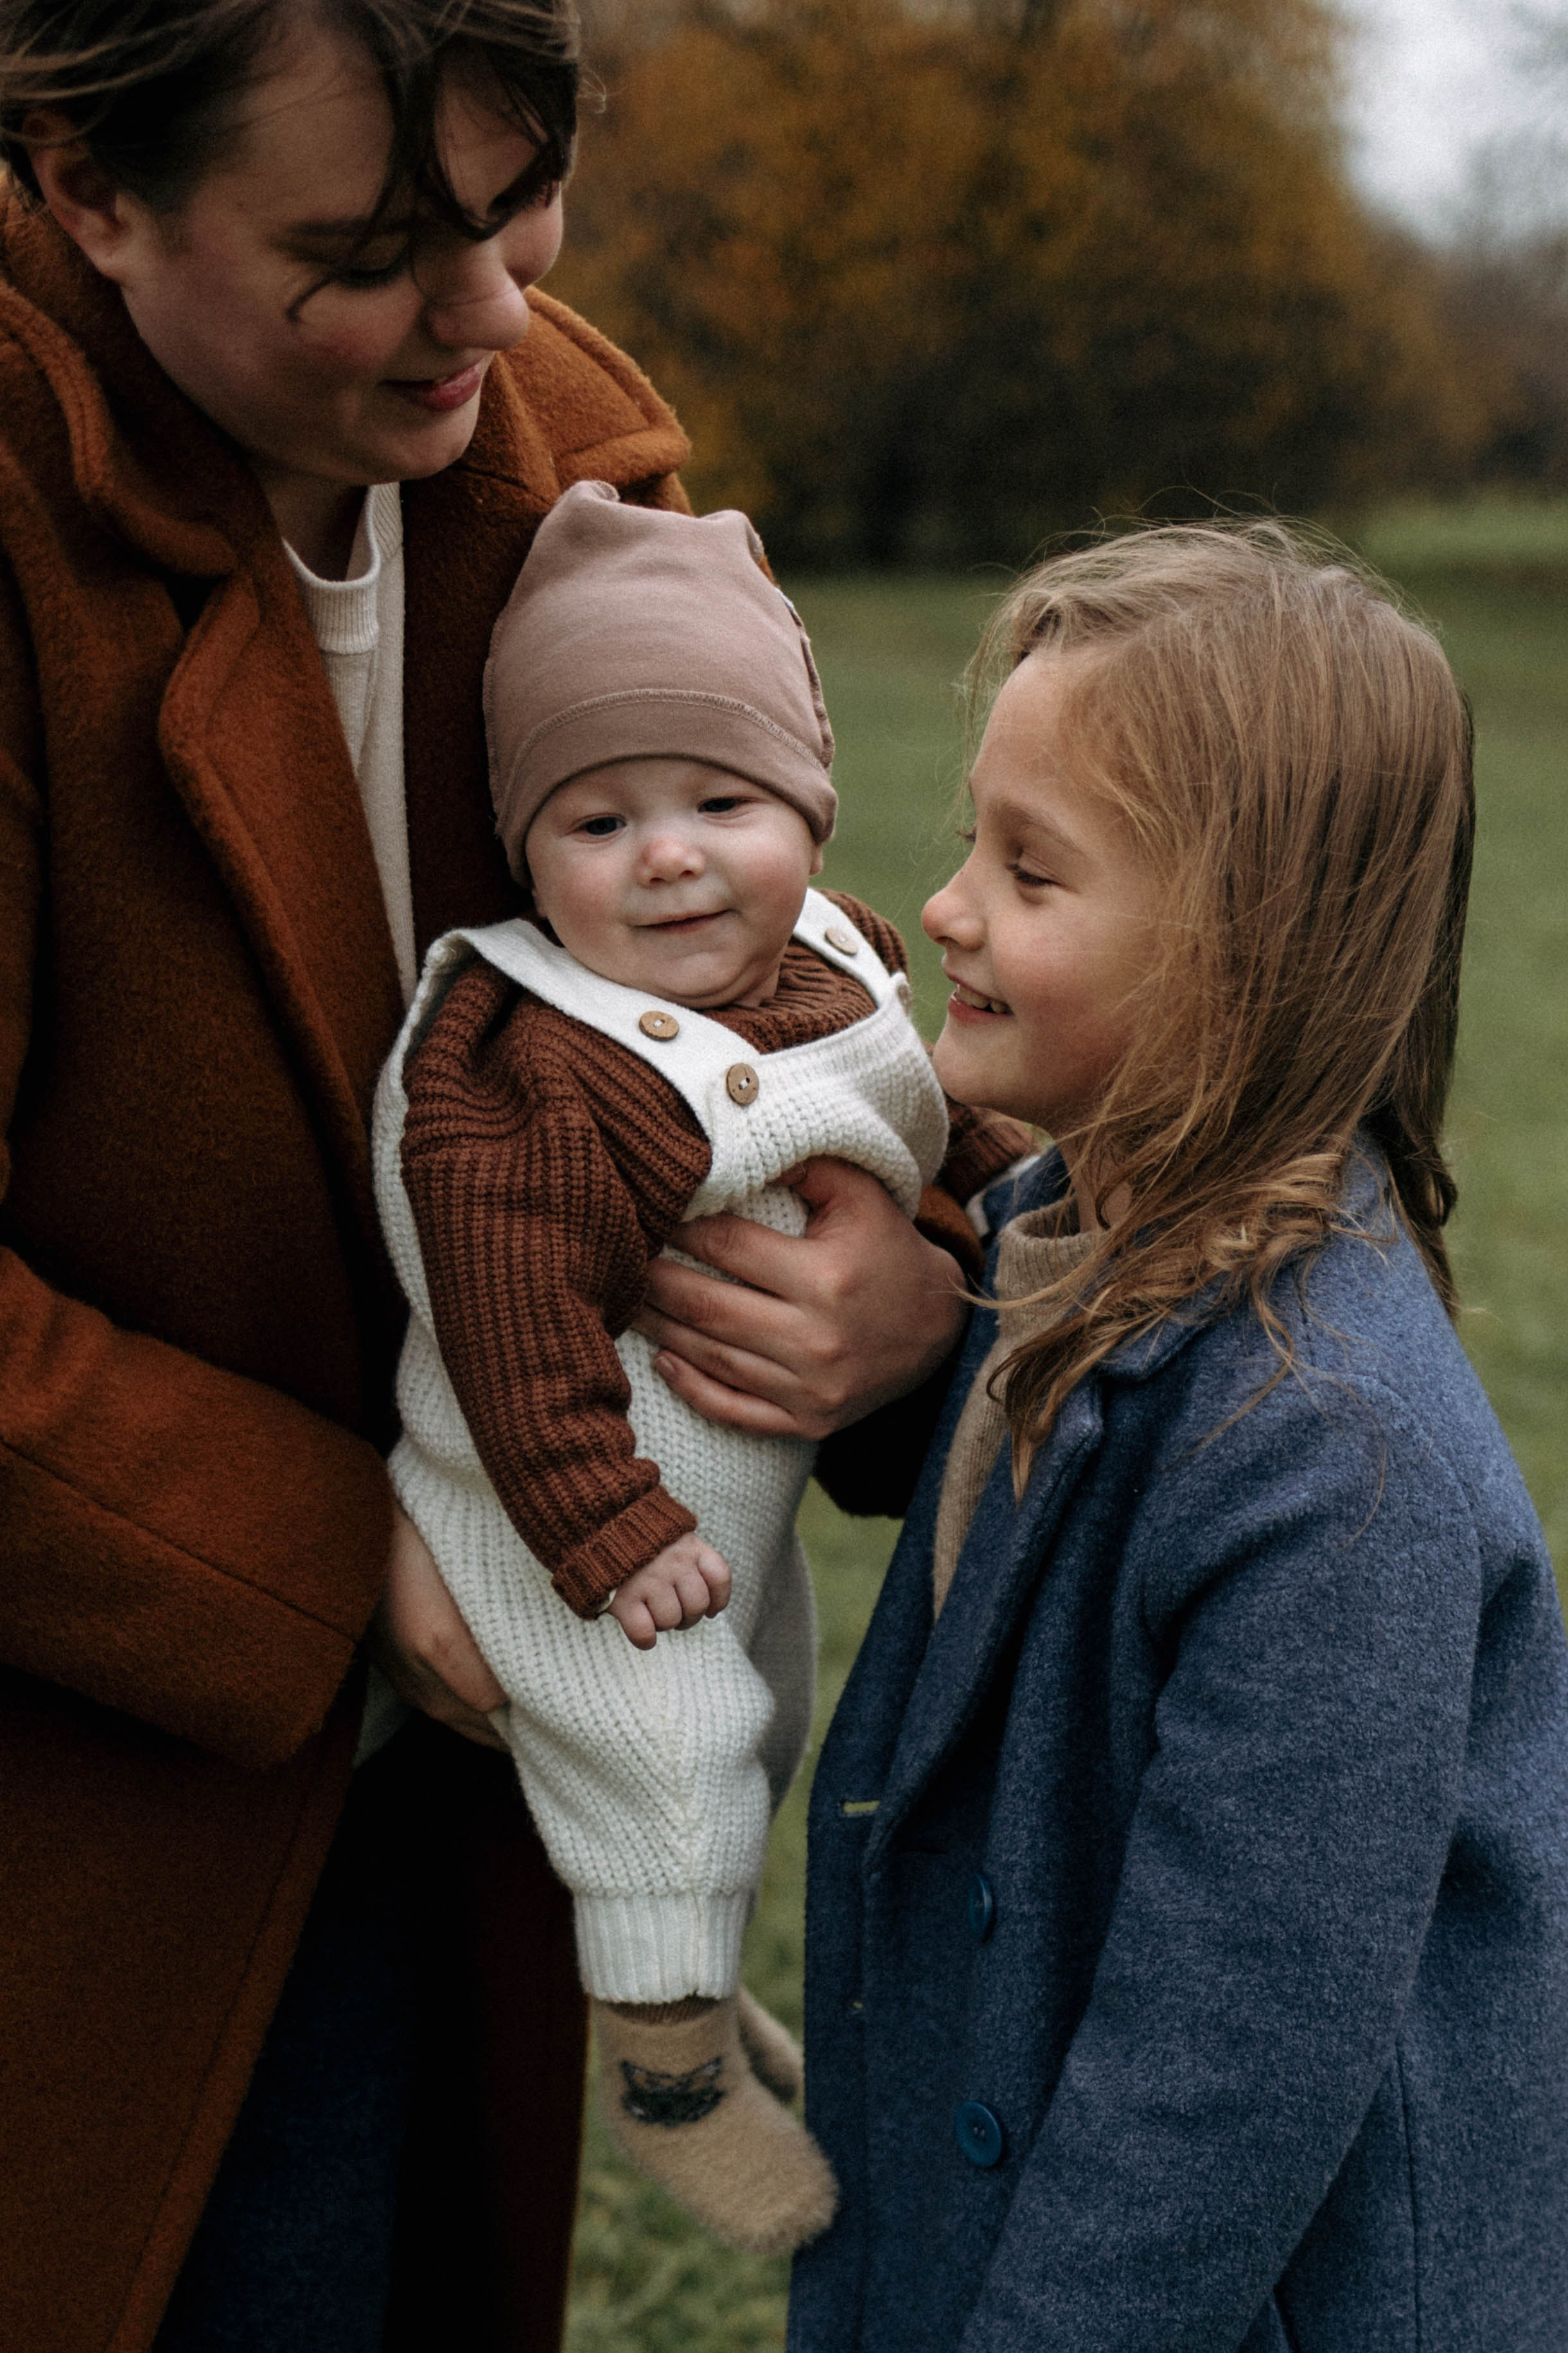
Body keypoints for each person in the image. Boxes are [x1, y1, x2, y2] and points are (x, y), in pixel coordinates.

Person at [0, 7, 969, 2348]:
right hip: (111, 1810)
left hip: (481, 1794)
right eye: (365, 247)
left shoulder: (564, 458)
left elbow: (759, 960)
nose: (493, 309)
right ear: (87, 189)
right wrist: (355, 1567)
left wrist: (900, 1280)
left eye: (523, 195)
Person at [790, 522, 1568, 2352]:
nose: (952, 907)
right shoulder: (1071, 1234)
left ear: (1240, 955)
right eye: (976, 838)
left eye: (1030, 870)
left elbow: (1226, 2076)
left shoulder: (1330, 1452)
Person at [373, 479, 1029, 2259]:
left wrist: (986, 1212)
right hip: (559, 1501)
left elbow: (928, 1124)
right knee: (669, 1756)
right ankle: (667, 2074)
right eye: (598, 820)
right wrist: (592, 1520)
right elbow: (504, 1329)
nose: (667, 857)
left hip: (723, 1497)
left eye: (720, 804)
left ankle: (675, 1989)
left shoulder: (835, 952)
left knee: (765, 1732)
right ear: (526, 852)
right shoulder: (523, 1066)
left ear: (803, 809)